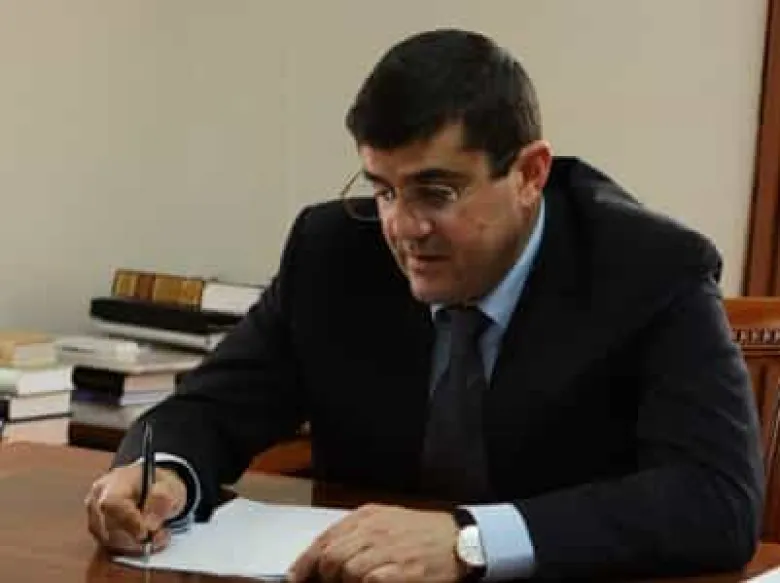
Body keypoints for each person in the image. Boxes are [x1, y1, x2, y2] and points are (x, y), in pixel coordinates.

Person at [84, 28, 764, 582]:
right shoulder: (332, 252)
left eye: (436, 193)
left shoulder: (650, 269)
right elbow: (210, 409)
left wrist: (472, 541)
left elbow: (717, 499)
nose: (403, 227)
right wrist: (161, 474)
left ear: (530, 174)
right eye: (384, 190)